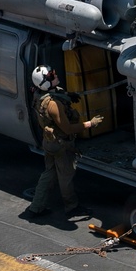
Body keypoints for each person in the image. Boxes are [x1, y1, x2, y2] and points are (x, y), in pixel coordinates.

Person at [20, 65, 103, 220]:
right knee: (65, 176)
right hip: (61, 144)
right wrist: (90, 123)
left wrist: (68, 95)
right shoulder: (53, 105)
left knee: (49, 173)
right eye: (51, 77)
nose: (55, 76)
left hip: (50, 142)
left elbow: (56, 92)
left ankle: (36, 207)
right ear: (45, 83)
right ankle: (71, 207)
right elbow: (68, 129)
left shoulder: (40, 94)